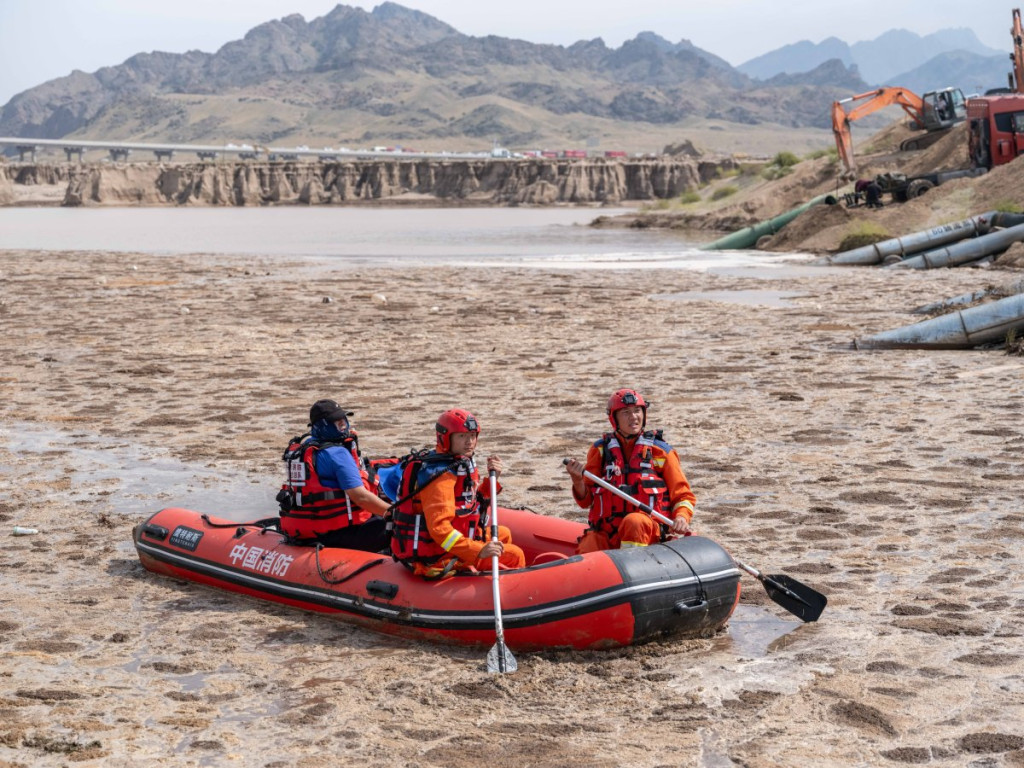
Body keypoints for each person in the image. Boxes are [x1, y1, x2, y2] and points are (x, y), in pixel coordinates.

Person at [390, 408, 525, 579]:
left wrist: (492, 480)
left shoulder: (458, 463)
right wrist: (477, 550)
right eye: (462, 436)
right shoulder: (439, 476)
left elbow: (471, 504)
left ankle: (486, 579)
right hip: (438, 555)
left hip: (455, 541)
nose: (469, 442)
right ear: (445, 438)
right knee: (515, 555)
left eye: (472, 436)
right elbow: (440, 530)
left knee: (504, 533)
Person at [564, 389, 695, 553]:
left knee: (634, 523)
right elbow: (585, 502)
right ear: (614, 419)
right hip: (608, 532)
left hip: (647, 531)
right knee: (590, 542)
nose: (633, 417)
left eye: (637, 411)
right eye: (626, 412)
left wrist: (681, 517)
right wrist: (577, 481)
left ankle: (633, 565)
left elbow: (683, 495)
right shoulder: (600, 451)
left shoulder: (661, 452)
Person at [276, 399, 391, 552]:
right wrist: (394, 513)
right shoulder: (337, 453)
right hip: (337, 534)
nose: (343, 425)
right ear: (323, 425)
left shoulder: (304, 448)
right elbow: (360, 497)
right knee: (396, 525)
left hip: (307, 532)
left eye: (343, 419)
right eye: (337, 422)